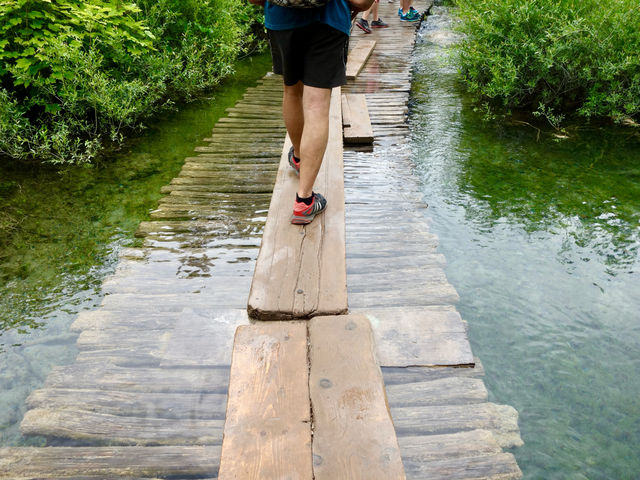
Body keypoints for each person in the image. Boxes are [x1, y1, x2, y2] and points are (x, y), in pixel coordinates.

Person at [249, 0, 374, 224]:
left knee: (291, 92)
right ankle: (304, 200)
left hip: (281, 19)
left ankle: (298, 156)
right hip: (328, 21)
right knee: (316, 105)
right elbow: (363, 2)